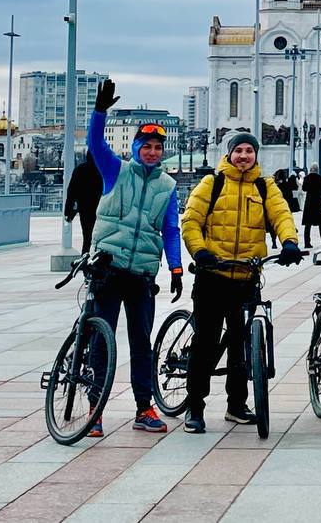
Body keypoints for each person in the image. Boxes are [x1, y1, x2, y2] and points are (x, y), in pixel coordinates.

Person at [180, 130, 302, 433]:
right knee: (205, 342)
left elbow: (281, 214)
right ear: (230, 153)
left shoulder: (265, 186)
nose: (244, 156)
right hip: (213, 275)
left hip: (246, 276)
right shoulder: (213, 183)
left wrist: (289, 241)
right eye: (239, 151)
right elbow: (191, 222)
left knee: (241, 344)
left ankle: (236, 405)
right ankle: (195, 406)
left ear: (256, 155)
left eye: (249, 151)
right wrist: (200, 251)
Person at [85, 78, 183, 436]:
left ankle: (144, 408)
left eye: (158, 147)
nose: (153, 152)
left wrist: (175, 266)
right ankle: (94, 411)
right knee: (102, 338)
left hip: (141, 272)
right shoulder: (116, 172)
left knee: (142, 342)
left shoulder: (168, 186)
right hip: (109, 268)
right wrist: (99, 112)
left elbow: (171, 228)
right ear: (137, 148)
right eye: (147, 146)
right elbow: (95, 144)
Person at [64, 150, 102, 255]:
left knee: (87, 238)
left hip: (85, 210)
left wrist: (68, 213)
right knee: (102, 239)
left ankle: (85, 263)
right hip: (102, 210)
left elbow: (71, 192)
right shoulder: (103, 170)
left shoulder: (80, 170)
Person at [300, 164, 321, 249]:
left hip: (309, 202)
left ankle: (307, 243)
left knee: (308, 224)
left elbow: (304, 189)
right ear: (317, 169)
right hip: (317, 202)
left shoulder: (306, 178)